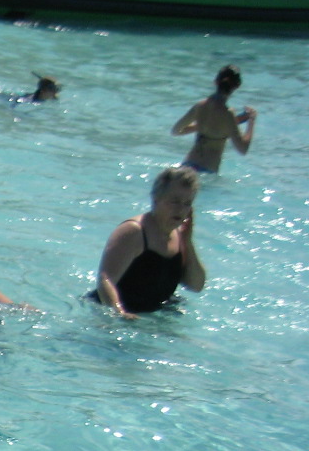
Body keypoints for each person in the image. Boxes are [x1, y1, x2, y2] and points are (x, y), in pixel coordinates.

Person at [93, 166, 206, 318]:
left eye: (187, 203)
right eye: (175, 201)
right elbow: (105, 279)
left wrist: (188, 241)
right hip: (112, 315)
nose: (180, 209)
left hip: (151, 316)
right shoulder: (134, 231)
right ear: (156, 199)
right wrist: (120, 313)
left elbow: (196, 285)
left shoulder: (180, 236)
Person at [172, 65, 256, 174]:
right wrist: (252, 121)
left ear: (215, 82)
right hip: (207, 171)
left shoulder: (200, 106)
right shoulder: (228, 113)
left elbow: (175, 131)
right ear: (237, 86)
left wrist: (200, 126)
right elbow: (242, 149)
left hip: (187, 166)